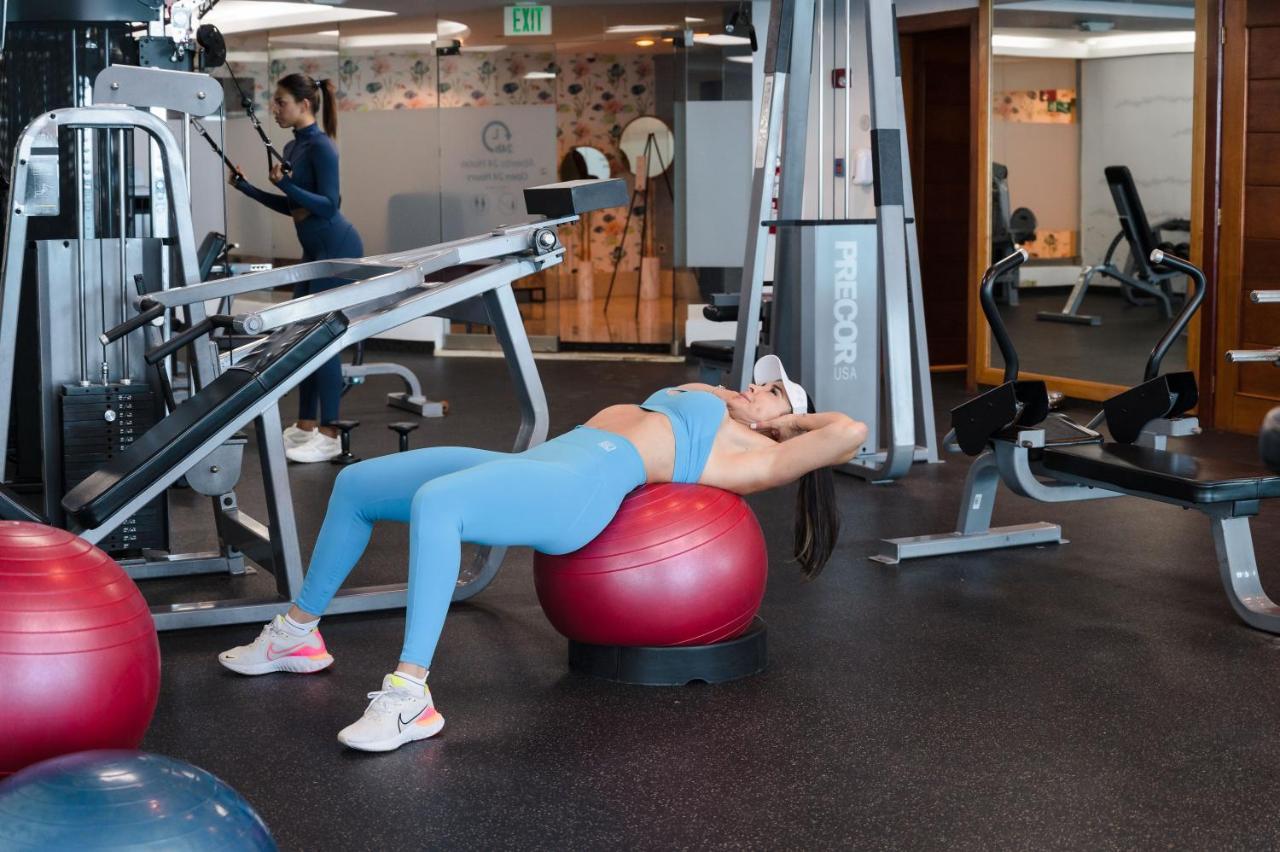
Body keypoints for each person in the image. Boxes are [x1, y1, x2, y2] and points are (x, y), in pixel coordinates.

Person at [217, 355, 867, 752]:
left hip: (581, 492)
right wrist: (742, 401)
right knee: (358, 485)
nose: (759, 387)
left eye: (774, 390)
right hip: (549, 461)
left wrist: (787, 422)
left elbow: (851, 432)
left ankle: (409, 695)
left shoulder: (758, 453)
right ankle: (296, 635)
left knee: (438, 505)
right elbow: (711, 398)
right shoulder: (718, 403)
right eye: (764, 384)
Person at [230, 73, 363, 463]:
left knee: (322, 338)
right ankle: (307, 425)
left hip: (336, 249)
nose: (275, 108)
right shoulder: (293, 146)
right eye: (274, 102)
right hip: (314, 251)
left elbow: (328, 205)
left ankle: (331, 431)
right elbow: (294, 206)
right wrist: (248, 188)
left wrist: (286, 186)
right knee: (300, 337)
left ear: (305, 104)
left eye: (281, 102)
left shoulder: (323, 148)